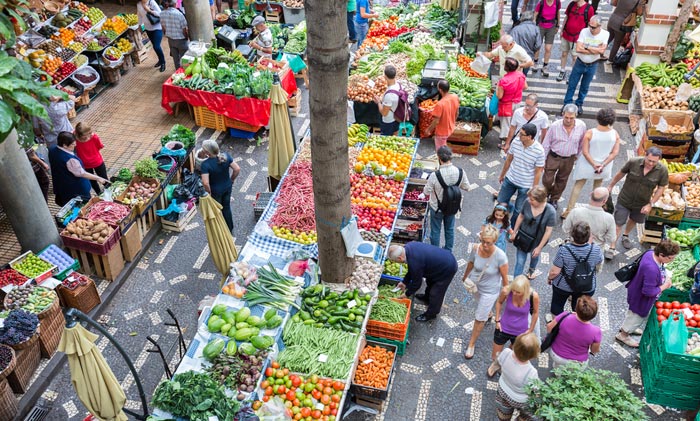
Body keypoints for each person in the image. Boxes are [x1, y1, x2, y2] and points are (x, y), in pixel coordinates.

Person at [616, 239, 679, 347]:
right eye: (670, 258)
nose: (672, 260)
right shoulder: (652, 269)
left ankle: (627, 328)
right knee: (637, 316)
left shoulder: (650, 253)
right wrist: (664, 286)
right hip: (641, 299)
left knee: (632, 314)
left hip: (635, 290)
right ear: (661, 255)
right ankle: (623, 335)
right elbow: (648, 292)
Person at [562, 108, 621, 220]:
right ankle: (593, 211)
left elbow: (585, 151)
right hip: (604, 167)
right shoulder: (615, 134)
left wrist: (594, 164)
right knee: (597, 188)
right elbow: (615, 153)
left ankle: (569, 211)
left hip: (587, 165)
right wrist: (602, 164)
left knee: (578, 186)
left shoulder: (590, 133)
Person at [608, 147, 668, 252]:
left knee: (634, 220)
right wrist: (610, 186)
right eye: (649, 160)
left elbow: (660, 188)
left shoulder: (662, 170)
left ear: (659, 160)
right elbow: (620, 174)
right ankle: (612, 247)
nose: (651, 163)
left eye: (654, 161)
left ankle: (625, 235)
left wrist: (650, 204)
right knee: (618, 223)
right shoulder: (633, 162)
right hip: (625, 199)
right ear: (645, 155)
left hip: (642, 203)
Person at [463, 225, 510, 359]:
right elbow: (471, 263)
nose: (484, 245)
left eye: (488, 243)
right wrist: (465, 276)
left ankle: (471, 344)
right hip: (476, 286)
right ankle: (488, 312)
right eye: (483, 241)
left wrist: (505, 295)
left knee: (479, 317)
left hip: (490, 291)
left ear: (494, 242)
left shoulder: (501, 257)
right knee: (481, 307)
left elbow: (505, 279)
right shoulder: (476, 248)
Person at [388, 242, 458, 322]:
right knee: (430, 281)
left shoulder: (414, 262)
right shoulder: (408, 247)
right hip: (438, 262)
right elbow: (412, 270)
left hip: (447, 267)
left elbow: (417, 283)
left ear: (400, 258)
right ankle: (426, 298)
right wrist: (404, 282)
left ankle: (431, 314)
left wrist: (406, 294)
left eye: (395, 261)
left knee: (436, 293)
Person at [547, 222, 602, 316]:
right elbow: (598, 263)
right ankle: (574, 324)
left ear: (572, 234)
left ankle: (557, 324)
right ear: (589, 236)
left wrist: (549, 278)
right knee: (578, 310)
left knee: (557, 306)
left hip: (563, 285)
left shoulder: (564, 250)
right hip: (586, 285)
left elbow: (554, 272)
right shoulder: (596, 250)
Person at [488, 276, 540, 377]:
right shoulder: (507, 291)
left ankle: (507, 366)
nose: (515, 293)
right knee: (495, 355)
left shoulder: (533, 296)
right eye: (514, 290)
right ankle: (495, 365)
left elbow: (535, 312)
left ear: (525, 290)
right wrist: (497, 319)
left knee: (514, 354)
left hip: (521, 332)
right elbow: (499, 302)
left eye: (518, 292)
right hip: (503, 328)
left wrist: (531, 329)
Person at [497, 123, 546, 227]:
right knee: (501, 202)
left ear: (529, 137)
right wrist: (502, 175)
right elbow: (509, 160)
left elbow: (538, 172)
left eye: (522, 134)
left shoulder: (539, 151)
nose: (519, 136)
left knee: (519, 210)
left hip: (525, 185)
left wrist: (533, 189)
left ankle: (513, 228)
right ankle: (501, 223)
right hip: (510, 179)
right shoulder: (516, 142)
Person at [423, 146, 470, 251]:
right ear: (451, 157)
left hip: (436, 207)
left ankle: (435, 252)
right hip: (452, 207)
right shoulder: (460, 172)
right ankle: (448, 250)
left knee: (435, 230)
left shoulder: (434, 175)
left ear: (439, 158)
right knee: (449, 229)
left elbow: (426, 191)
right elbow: (467, 187)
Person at [541, 103, 587, 209]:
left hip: (569, 158)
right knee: (547, 179)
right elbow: (547, 143)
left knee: (562, 180)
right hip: (553, 156)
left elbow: (582, 142)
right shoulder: (555, 126)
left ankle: (554, 199)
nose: (568, 120)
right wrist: (543, 159)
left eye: (571, 118)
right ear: (562, 114)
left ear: (575, 116)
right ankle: (546, 193)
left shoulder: (581, 126)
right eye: (566, 117)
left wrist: (577, 155)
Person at [562, 15, 608, 117]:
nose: (590, 29)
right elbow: (578, 49)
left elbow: (602, 51)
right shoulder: (584, 31)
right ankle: (567, 103)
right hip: (580, 62)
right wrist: (594, 49)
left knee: (584, 87)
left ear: (599, 26)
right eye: (590, 26)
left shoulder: (605, 34)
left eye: (593, 27)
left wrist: (586, 47)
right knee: (572, 85)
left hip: (593, 64)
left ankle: (579, 104)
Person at [48, 132, 109, 207]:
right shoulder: (70, 160)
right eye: (73, 144)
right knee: (85, 206)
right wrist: (98, 178)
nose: (75, 145)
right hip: (76, 189)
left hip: (61, 185)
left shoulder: (52, 149)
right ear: (64, 145)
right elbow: (82, 173)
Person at [493, 332, 540, 421]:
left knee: (504, 411)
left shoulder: (506, 352)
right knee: (528, 414)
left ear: (515, 345)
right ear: (533, 355)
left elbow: (499, 363)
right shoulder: (531, 372)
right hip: (520, 400)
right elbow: (535, 390)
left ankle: (504, 418)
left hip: (503, 390)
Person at [511, 186, 555, 278]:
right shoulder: (527, 202)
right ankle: (515, 285)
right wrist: (514, 232)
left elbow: (548, 231)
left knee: (534, 256)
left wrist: (539, 247)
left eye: (532, 200)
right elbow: (521, 216)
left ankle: (531, 270)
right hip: (523, 237)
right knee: (520, 262)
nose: (529, 201)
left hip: (537, 241)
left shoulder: (550, 212)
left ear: (540, 200)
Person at [547, 295, 601, 368]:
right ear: (593, 315)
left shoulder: (565, 316)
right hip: (578, 362)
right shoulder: (596, 331)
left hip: (557, 355)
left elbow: (549, 328)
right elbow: (594, 350)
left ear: (576, 308)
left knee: (558, 369)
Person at [563, 187, 617, 259]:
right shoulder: (609, 218)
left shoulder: (575, 212)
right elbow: (611, 239)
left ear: (591, 194)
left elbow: (565, 229)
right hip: (594, 253)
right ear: (604, 201)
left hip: (573, 250)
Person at [200, 139, 241, 232]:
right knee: (226, 207)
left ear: (207, 152)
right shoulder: (226, 156)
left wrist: (208, 192)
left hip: (215, 192)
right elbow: (237, 169)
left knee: (217, 210)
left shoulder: (205, 165)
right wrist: (232, 180)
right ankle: (230, 228)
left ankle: (220, 231)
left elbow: (205, 183)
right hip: (227, 187)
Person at [557, 0, 595, 82]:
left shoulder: (589, 8)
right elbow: (566, 17)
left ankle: (572, 74)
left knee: (575, 57)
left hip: (578, 38)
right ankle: (562, 70)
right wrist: (562, 29)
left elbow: (590, 24)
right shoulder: (571, 4)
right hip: (566, 34)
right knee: (564, 53)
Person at [496, 58, 528, 145]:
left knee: (506, 124)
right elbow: (525, 87)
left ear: (506, 68)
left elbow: (499, 96)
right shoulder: (521, 75)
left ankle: (506, 143)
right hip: (517, 102)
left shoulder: (503, 81)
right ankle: (512, 139)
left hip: (506, 104)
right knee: (514, 122)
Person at [74, 122, 107, 195]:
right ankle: (99, 194)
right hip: (87, 163)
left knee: (103, 178)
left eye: (89, 133)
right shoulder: (75, 138)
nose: (88, 136)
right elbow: (99, 147)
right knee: (93, 180)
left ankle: (106, 192)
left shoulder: (93, 137)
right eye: (85, 135)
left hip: (96, 162)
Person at [427, 80, 460, 151]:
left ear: (440, 90)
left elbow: (436, 121)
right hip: (451, 128)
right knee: (443, 146)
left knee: (441, 151)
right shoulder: (455, 97)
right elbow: (457, 113)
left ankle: (444, 161)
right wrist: (453, 122)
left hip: (442, 132)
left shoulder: (440, 104)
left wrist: (428, 130)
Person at [532, 0, 561, 77]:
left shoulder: (557, 2)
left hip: (551, 27)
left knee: (548, 48)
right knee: (538, 46)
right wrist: (534, 23)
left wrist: (558, 24)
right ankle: (535, 62)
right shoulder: (541, 3)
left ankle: (545, 66)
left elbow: (558, 13)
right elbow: (535, 13)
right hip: (541, 26)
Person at [509, 11, 541, 76]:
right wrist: (532, 51)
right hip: (528, 56)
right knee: (523, 75)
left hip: (516, 56)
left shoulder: (515, 29)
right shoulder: (536, 29)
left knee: (514, 74)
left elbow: (510, 43)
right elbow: (538, 45)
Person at [137, 0, 165, 72]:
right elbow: (139, 16)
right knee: (154, 46)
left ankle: (163, 63)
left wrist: (149, 10)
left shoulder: (151, 2)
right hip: (148, 28)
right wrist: (139, 26)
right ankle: (160, 60)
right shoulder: (139, 4)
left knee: (156, 46)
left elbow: (160, 14)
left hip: (157, 28)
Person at [160, 0, 189, 70]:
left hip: (171, 40)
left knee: (176, 60)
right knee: (184, 60)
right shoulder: (179, 14)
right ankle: (184, 73)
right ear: (175, 4)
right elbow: (184, 29)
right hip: (181, 40)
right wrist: (186, 37)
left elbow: (163, 28)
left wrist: (168, 35)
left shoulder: (162, 14)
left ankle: (178, 73)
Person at [374, 65, 400, 136]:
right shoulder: (398, 85)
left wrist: (379, 102)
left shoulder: (389, 95)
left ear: (385, 76)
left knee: (386, 140)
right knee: (395, 136)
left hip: (388, 120)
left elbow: (384, 113)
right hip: (397, 117)